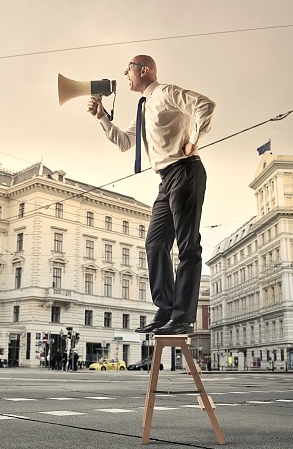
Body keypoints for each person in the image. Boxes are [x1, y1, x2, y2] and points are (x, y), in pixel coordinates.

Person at [88, 55, 216, 335]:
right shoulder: (144, 107)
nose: (125, 72)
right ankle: (167, 309)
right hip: (166, 179)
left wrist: (194, 141)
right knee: (155, 244)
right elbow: (124, 142)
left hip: (185, 170)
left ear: (144, 70)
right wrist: (102, 119)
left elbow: (205, 105)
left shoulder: (166, 93)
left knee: (187, 247)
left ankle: (183, 316)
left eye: (129, 68)